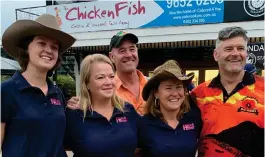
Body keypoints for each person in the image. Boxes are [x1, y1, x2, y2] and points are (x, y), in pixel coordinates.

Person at [1, 14, 76, 157]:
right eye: (41, 43)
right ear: (26, 49)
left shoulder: (57, 93)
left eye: (54, 47)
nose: (49, 50)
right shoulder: (5, 91)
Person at [191, 26, 264, 157]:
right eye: (228, 49)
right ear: (216, 55)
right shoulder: (198, 94)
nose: (236, 53)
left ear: (246, 53)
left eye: (240, 48)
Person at [64, 54, 140, 157]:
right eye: (100, 77)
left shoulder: (127, 110)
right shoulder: (74, 115)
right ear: (87, 83)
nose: (108, 82)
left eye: (111, 76)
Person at [67, 31, 147, 115]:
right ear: (112, 56)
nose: (129, 55)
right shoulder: (104, 90)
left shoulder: (154, 86)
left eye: (132, 49)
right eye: (122, 51)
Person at [137, 60, 202, 157]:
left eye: (179, 87)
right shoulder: (144, 124)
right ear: (156, 93)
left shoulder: (194, 118)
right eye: (168, 88)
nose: (175, 93)